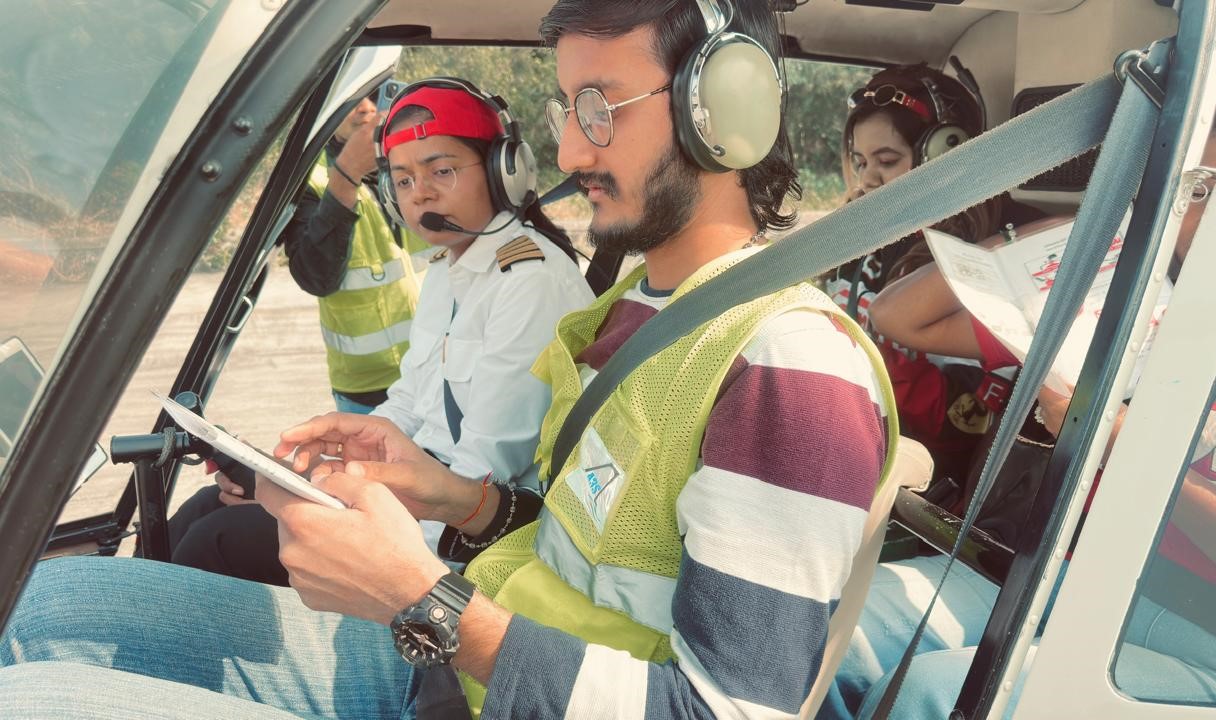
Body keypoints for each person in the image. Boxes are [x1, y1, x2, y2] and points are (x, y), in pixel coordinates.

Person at [0, 2, 897, 718]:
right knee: (43, 605)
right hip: (443, 669)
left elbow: (720, 714)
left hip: (455, 663)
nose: (571, 149)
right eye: (563, 111)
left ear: (725, 114)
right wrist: (448, 494)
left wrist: (422, 600)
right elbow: (572, 534)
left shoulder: (788, 365)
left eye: (601, 109)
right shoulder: (640, 315)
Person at [843, 58, 1216, 718]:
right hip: (1075, 573)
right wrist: (1085, 230)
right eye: (1193, 188)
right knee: (829, 634)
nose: (1197, 215)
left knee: (933, 692)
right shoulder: (1142, 297)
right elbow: (902, 315)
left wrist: (1118, 440)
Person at [163, 77, 595, 586]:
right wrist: (313, 470)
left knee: (214, 541)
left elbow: (484, 474)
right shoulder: (446, 271)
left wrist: (348, 509)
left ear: (505, 171)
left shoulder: (528, 280)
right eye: (405, 180)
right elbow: (407, 405)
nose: (422, 194)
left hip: (463, 535)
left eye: (443, 170)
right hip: (418, 490)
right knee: (206, 506)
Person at [830, 62, 1046, 495]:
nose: (868, 178)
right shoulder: (854, 236)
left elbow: (973, 414)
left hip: (930, 480)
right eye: (860, 161)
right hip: (854, 444)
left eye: (887, 160)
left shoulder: (992, 247)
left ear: (945, 153)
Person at [282, 86, 433, 415]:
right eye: (353, 97)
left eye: (376, 94)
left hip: (438, 370)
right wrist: (346, 176)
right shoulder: (311, 181)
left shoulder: (421, 162)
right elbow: (317, 277)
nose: (365, 108)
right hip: (367, 390)